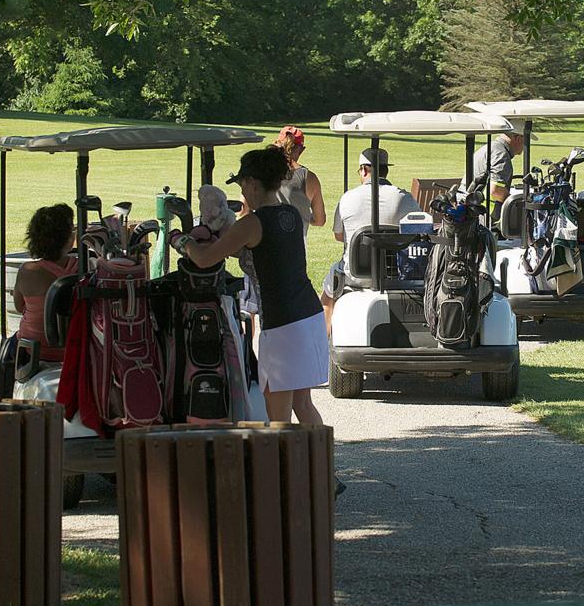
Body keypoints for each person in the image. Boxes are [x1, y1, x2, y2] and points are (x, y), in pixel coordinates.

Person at [172, 146, 328, 426]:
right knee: (303, 405)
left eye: (243, 185)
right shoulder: (290, 214)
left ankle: (285, 468)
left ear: (253, 183)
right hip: (309, 316)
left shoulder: (253, 222)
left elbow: (206, 259)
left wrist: (181, 241)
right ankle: (321, 468)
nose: (242, 193)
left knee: (277, 413)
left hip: (283, 324)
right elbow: (261, 251)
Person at [321, 147, 421, 329]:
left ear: (365, 170)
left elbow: (339, 235)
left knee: (328, 293)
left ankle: (324, 335)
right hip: (395, 272)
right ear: (385, 170)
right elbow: (418, 232)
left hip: (356, 273)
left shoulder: (348, 198)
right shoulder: (404, 198)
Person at [13, 204, 78, 361]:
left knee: (8, 349)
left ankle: (4, 386)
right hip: (75, 350)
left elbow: (18, 306)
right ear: (69, 239)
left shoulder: (27, 271)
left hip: (33, 351)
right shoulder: (84, 268)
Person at [463, 118, 531, 216]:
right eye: (526, 140)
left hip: (472, 209)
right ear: (518, 139)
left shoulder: (492, 147)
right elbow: (496, 190)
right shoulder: (502, 155)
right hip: (484, 215)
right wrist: (514, 203)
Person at [273, 125, 326, 238]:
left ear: (276, 143)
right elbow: (320, 220)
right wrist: (303, 216)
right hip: (296, 250)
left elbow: (244, 211)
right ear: (301, 150)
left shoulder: (261, 171)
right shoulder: (309, 177)